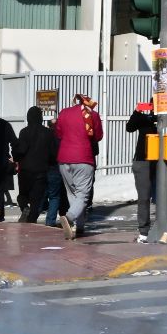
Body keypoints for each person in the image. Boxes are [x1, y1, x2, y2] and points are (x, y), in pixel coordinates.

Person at [53, 94, 103, 240]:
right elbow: (98, 136)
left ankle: (79, 226)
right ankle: (69, 218)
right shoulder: (92, 115)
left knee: (72, 194)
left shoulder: (64, 112)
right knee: (82, 194)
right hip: (83, 158)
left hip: (64, 158)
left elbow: (58, 132)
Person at [14, 106, 55, 224]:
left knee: (22, 195)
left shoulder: (24, 132)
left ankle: (24, 207)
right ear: (40, 118)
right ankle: (31, 221)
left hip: (25, 171)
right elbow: (53, 153)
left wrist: (15, 156)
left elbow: (21, 151)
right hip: (41, 171)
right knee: (36, 200)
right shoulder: (48, 133)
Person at [127, 102, 160, 242]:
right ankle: (144, 230)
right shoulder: (145, 119)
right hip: (143, 160)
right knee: (144, 197)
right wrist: (137, 112)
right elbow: (130, 127)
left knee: (165, 196)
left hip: (161, 162)